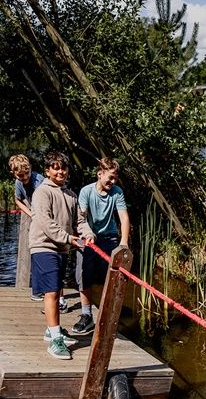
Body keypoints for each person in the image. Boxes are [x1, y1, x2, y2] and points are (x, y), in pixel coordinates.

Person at [30, 150, 94, 360]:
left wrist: (88, 234)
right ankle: (55, 339)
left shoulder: (71, 194)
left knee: (57, 289)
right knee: (51, 292)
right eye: (55, 168)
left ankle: (52, 330)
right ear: (47, 171)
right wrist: (68, 238)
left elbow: (79, 222)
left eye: (63, 167)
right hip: (44, 246)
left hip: (62, 248)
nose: (60, 171)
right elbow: (45, 223)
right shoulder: (42, 192)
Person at [72, 157, 131, 335]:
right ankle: (86, 315)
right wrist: (88, 235)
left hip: (109, 238)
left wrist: (124, 244)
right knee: (83, 275)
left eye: (115, 179)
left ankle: (108, 315)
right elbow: (81, 218)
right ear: (100, 174)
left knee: (111, 277)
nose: (112, 182)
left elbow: (124, 218)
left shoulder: (117, 192)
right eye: (110, 178)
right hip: (88, 237)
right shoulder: (86, 192)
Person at [9, 155, 68, 310]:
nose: (25, 177)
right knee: (36, 252)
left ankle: (59, 297)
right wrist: (30, 213)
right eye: (21, 175)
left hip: (49, 218)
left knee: (56, 256)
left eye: (27, 173)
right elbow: (17, 200)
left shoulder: (39, 180)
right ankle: (38, 291)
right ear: (14, 174)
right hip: (34, 217)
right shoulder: (18, 183)